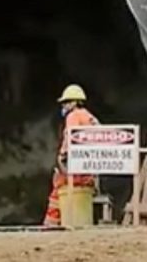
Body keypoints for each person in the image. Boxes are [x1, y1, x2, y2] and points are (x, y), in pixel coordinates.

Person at [43, 84, 99, 227]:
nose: (64, 106)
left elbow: (70, 138)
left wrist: (62, 158)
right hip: (90, 170)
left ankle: (52, 223)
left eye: (66, 103)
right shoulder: (90, 117)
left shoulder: (73, 116)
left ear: (74, 102)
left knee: (58, 186)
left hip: (77, 169)